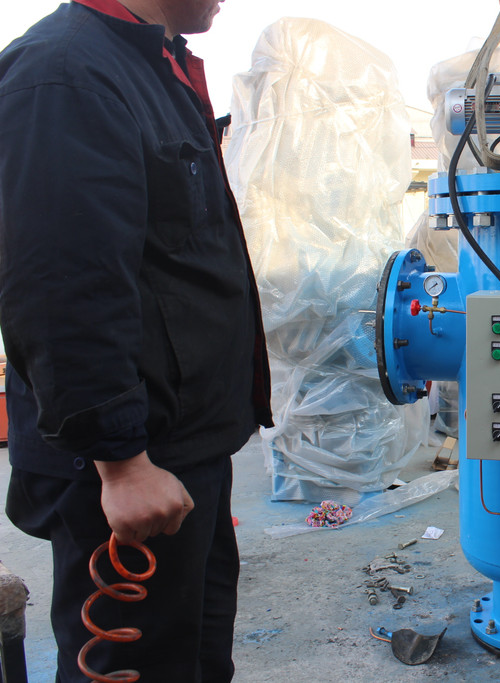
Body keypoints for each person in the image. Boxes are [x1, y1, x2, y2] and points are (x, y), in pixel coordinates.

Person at [0, 0, 272, 679]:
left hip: (181, 453)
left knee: (194, 661)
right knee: (142, 664)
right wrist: (121, 462)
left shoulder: (146, 64)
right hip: (128, 467)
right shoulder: (67, 74)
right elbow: (61, 283)